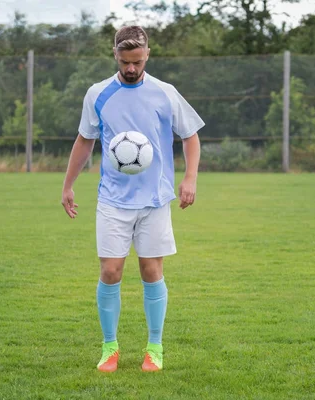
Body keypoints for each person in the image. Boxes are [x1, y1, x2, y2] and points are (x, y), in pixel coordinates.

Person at [61, 25, 204, 373]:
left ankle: (154, 348)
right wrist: (68, 185)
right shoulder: (98, 94)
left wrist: (189, 178)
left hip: (155, 200)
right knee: (110, 271)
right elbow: (84, 140)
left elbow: (191, 136)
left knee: (151, 270)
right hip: (112, 200)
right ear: (115, 55)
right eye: (125, 61)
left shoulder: (165, 93)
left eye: (137, 61)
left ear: (147, 55)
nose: (131, 69)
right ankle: (110, 348)